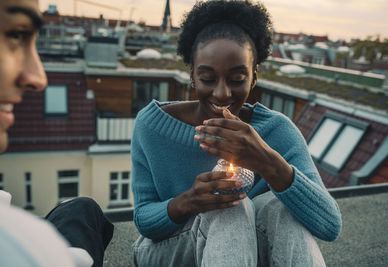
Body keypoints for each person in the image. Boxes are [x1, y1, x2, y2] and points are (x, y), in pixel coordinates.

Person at [131, 0, 342, 266]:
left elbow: (330, 226)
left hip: (246, 249)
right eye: (207, 78)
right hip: (169, 250)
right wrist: (191, 200)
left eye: (236, 79)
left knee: (282, 208)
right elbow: (144, 222)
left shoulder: (277, 130)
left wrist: (267, 161)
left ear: (253, 77)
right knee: (230, 206)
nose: (222, 93)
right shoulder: (152, 126)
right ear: (192, 75)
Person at [0, 1, 113, 266]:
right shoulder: (22, 248)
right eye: (15, 35)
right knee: (83, 210)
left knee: (81, 207)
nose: (38, 77)